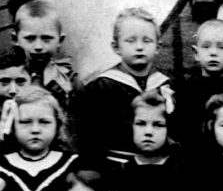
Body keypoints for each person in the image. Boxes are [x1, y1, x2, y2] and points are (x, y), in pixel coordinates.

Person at [73, 8, 175, 160]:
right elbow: (89, 137)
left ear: (157, 47)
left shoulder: (165, 85)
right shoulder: (102, 86)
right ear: (116, 47)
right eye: (130, 40)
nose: (139, 47)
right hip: (115, 164)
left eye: (147, 41)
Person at [174, 18, 223, 144]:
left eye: (221, 47)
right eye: (206, 46)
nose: (213, 52)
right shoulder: (185, 92)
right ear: (196, 53)